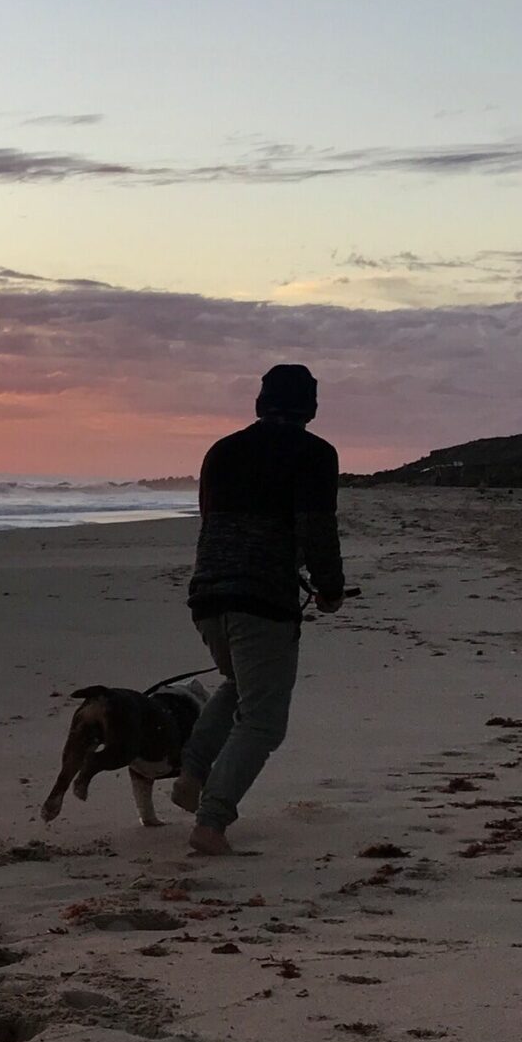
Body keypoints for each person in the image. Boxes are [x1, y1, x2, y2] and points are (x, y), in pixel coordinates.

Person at [169, 363, 344, 856]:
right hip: (262, 600)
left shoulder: (222, 451)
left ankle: (193, 771)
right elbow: (316, 529)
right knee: (264, 720)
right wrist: (330, 588)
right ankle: (212, 821)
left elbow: (211, 522)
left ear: (260, 403)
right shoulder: (315, 454)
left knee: (239, 684)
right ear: (310, 407)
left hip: (207, 596)